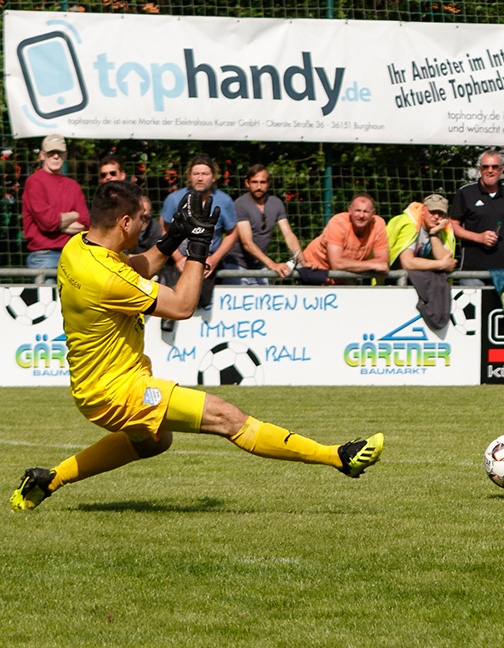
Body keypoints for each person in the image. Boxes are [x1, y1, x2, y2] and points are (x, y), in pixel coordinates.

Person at [10, 181, 384, 513]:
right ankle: (338, 457)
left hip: (96, 387)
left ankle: (48, 480)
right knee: (228, 417)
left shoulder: (79, 248)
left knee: (154, 444)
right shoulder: (106, 278)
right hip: (119, 392)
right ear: (124, 222)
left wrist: (174, 236)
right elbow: (182, 306)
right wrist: (199, 247)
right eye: (143, 219)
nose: (147, 225)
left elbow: (137, 268)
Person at [159, 155, 238, 309]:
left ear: (213, 177)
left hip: (206, 262)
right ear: (189, 176)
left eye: (205, 174)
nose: (200, 178)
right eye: (196, 174)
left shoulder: (224, 201)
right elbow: (164, 229)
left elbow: (233, 232)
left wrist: (214, 259)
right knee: (172, 304)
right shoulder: (174, 199)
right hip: (178, 261)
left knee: (201, 304)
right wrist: (177, 257)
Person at [449, 150, 504, 285]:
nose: (490, 171)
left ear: (501, 170)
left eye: (494, 167)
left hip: (503, 272)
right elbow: (452, 225)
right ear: (480, 169)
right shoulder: (466, 193)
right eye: (485, 167)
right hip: (472, 272)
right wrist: (478, 237)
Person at [223, 165, 303, 285]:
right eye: (254, 182)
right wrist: (272, 264)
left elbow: (288, 235)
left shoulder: (276, 203)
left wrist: (302, 260)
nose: (259, 187)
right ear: (247, 183)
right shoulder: (240, 205)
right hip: (237, 265)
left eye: (263, 182)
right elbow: (247, 243)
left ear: (269, 183)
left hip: (260, 266)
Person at [21, 134, 89, 269]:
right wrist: (74, 215)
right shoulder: (34, 182)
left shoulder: (73, 186)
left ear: (65, 155)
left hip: (73, 255)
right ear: (42, 155)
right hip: (44, 256)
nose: (56, 156)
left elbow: (85, 225)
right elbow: (47, 222)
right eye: (51, 153)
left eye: (59, 152)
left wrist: (55, 224)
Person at [301, 193, 390, 279]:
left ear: (373, 213)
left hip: (343, 276)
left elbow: (383, 262)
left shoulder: (378, 224)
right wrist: (373, 265)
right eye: (357, 210)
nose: (361, 215)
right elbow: (337, 264)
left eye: (366, 211)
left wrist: (349, 265)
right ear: (349, 210)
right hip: (313, 270)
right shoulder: (338, 223)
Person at [97, 154, 162, 255]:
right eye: (103, 175)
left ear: (122, 175)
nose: (108, 177)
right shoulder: (98, 206)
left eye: (112, 173)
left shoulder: (134, 202)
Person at [387, 193, 458, 272]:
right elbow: (407, 263)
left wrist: (434, 234)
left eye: (440, 213)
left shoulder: (443, 228)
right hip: (391, 274)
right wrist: (440, 265)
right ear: (423, 210)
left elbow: (447, 262)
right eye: (432, 211)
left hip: (415, 275)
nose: (436, 216)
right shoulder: (411, 224)